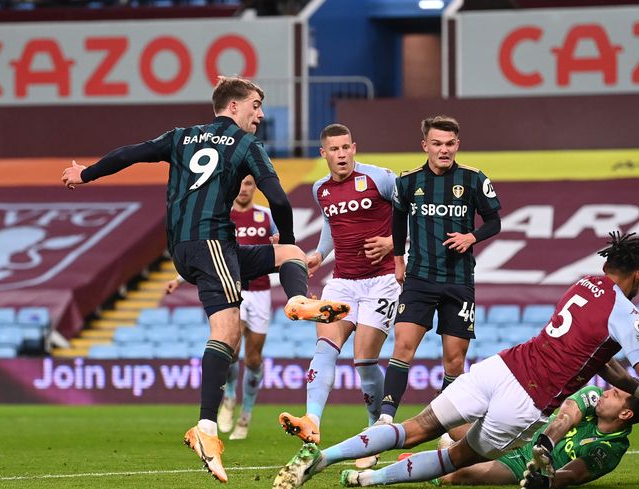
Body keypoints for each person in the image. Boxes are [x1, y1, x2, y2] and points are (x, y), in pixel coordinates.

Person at [270, 231, 639, 489]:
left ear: (607, 266)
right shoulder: (627, 312)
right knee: (454, 458)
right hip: (529, 400)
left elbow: (604, 364)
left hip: (502, 365)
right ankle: (370, 480)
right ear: (637, 273)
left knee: (417, 424)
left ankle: (326, 456)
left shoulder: (583, 284)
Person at [61, 76, 349, 484]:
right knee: (229, 328)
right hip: (209, 241)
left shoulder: (180, 136)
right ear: (233, 107)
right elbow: (280, 200)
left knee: (291, 256)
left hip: (191, 246)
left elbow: (132, 153)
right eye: (255, 104)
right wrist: (282, 232)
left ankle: (299, 300)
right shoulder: (247, 146)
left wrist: (86, 173)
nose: (261, 114)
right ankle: (207, 428)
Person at [277, 124, 400, 469]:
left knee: (364, 359)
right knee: (324, 346)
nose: (342, 154)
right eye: (335, 149)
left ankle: (377, 430)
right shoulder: (321, 190)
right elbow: (333, 224)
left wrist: (393, 243)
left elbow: (409, 213)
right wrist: (319, 254)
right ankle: (312, 421)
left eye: (346, 147)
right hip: (343, 280)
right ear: (324, 154)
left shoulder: (381, 179)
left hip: (382, 280)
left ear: (354, 148)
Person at [379, 115, 502, 425]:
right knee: (403, 346)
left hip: (459, 281)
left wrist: (472, 236)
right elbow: (397, 222)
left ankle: (446, 428)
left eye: (449, 144)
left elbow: (494, 221)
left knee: (454, 361)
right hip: (419, 277)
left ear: (457, 145)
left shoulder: (474, 179)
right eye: (437, 144)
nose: (444, 150)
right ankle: (384, 418)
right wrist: (398, 259)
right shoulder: (407, 182)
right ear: (425, 146)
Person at [164, 175, 278, 440]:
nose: (243, 189)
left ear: (254, 188)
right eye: (239, 183)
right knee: (231, 348)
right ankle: (229, 396)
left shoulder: (265, 216)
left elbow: (280, 245)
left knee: (253, 358)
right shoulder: (222, 217)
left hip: (261, 292)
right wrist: (178, 279)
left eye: (249, 184)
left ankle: (246, 415)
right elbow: (207, 251)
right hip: (232, 286)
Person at [432, 385, 639, 489]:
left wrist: (544, 481)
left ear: (625, 414)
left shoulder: (610, 448)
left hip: (521, 465)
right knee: (453, 423)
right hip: (522, 434)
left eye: (615, 394)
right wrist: (544, 445)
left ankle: (422, 462)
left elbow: (574, 474)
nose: (606, 392)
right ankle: (453, 446)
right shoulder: (593, 395)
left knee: (456, 475)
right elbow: (566, 415)